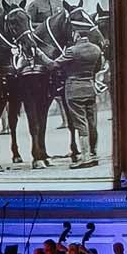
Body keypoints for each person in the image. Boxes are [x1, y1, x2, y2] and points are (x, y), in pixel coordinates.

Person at [52, 25, 106, 167]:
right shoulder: (96, 49)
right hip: (90, 87)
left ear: (75, 34)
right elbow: (99, 67)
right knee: (92, 122)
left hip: (74, 90)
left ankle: (85, 157)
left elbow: (54, 65)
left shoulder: (72, 51)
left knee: (80, 123)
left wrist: (38, 53)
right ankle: (94, 154)